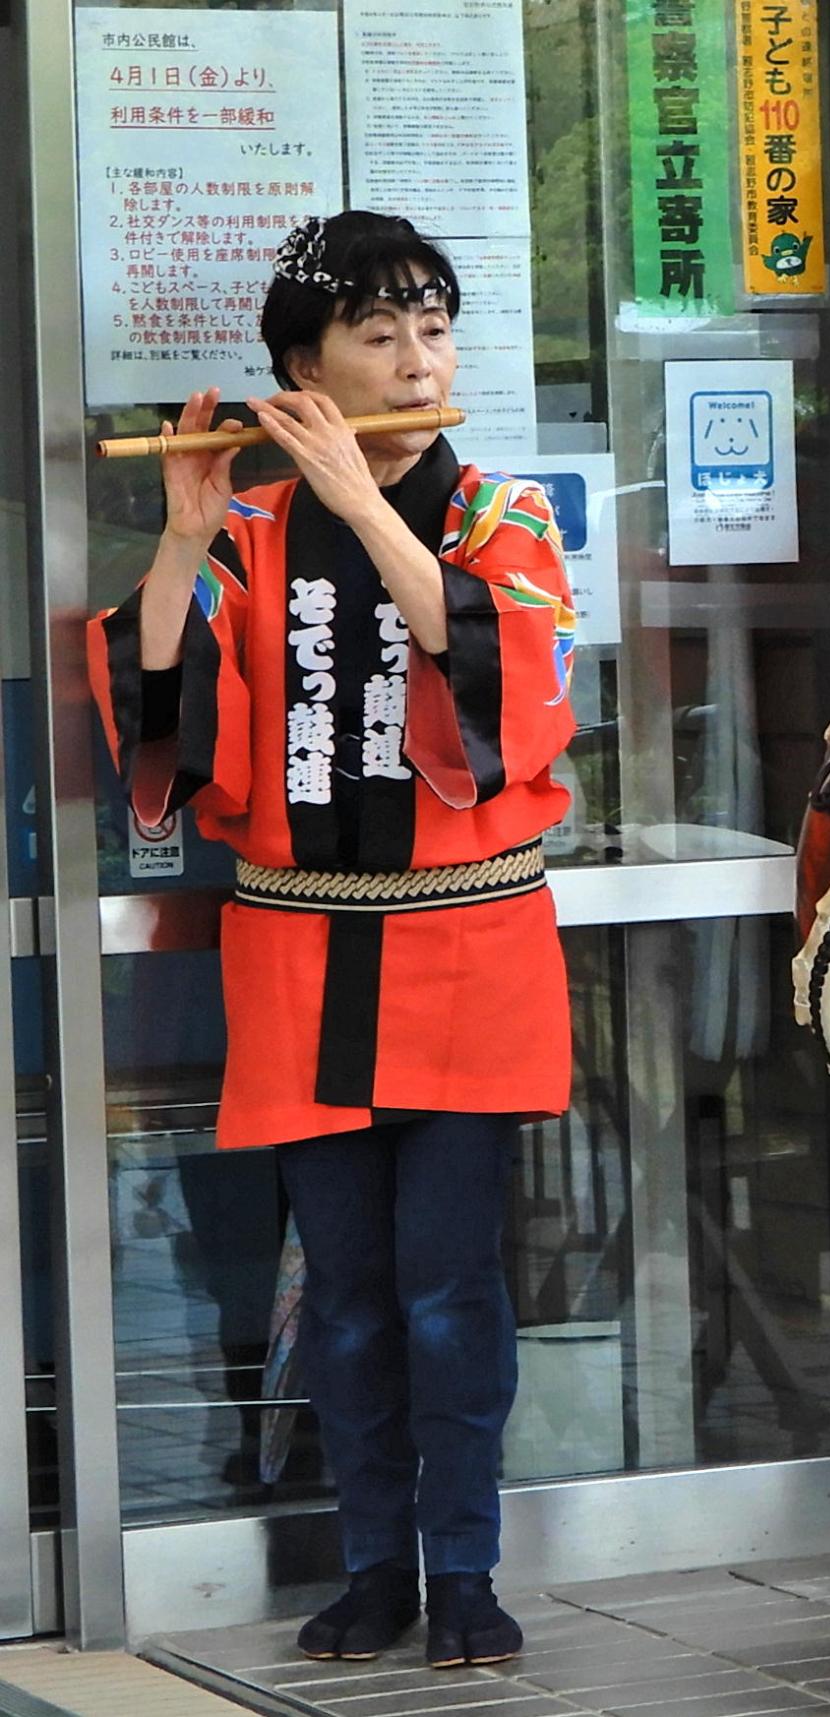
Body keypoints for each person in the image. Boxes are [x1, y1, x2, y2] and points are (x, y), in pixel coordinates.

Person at [89, 212, 577, 1664]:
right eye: (379, 334)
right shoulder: (239, 534)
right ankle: (372, 1561)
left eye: (433, 328)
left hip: (470, 950)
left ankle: (468, 1564)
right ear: (301, 368)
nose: (418, 357)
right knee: (347, 1288)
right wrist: (177, 542)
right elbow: (164, 719)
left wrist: (369, 505)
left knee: (451, 1280)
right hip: (304, 956)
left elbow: (514, 684)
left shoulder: (505, 512)